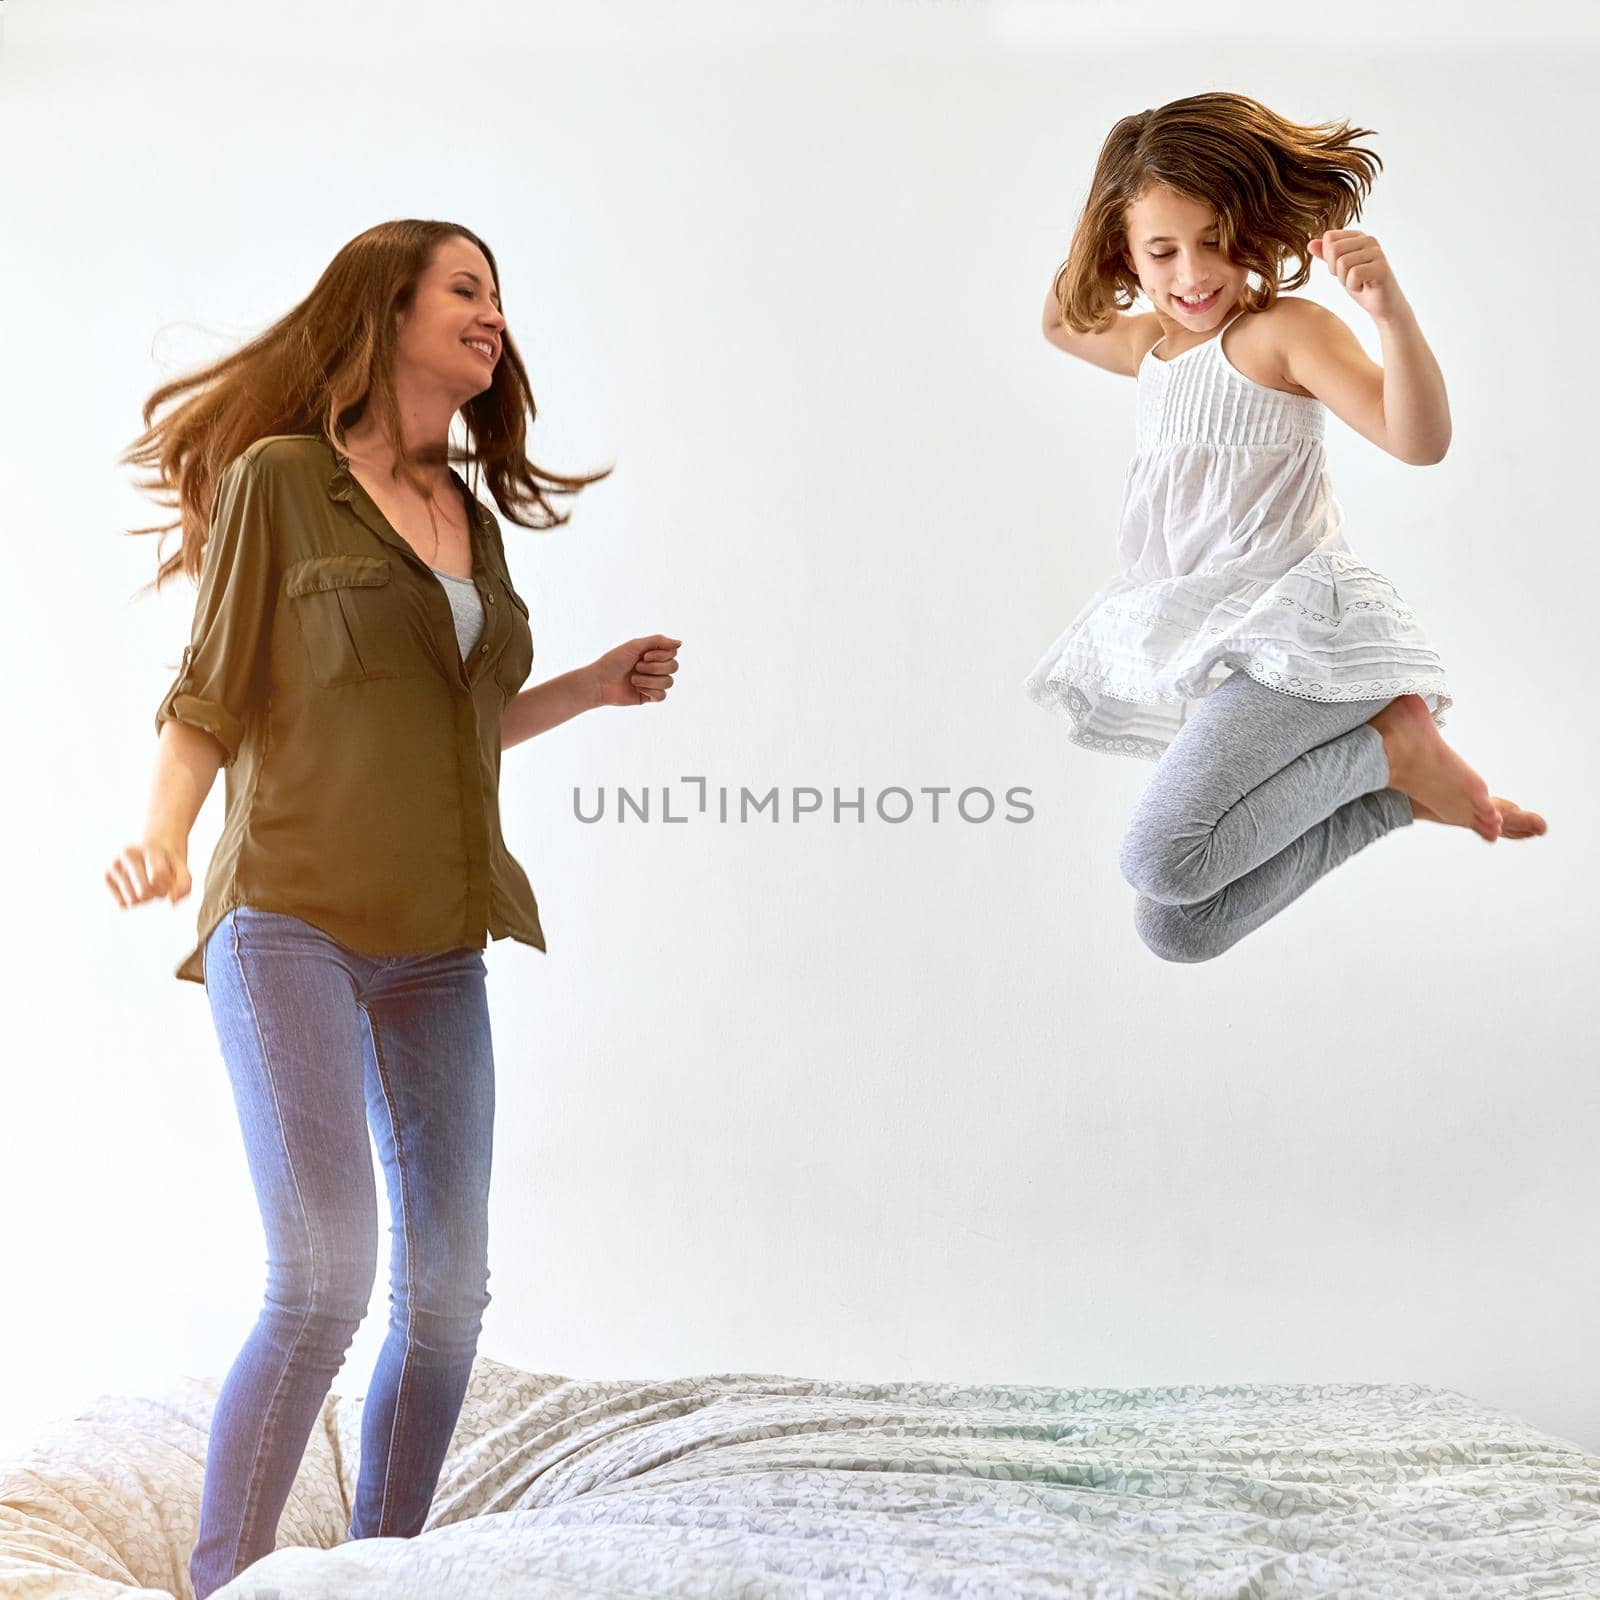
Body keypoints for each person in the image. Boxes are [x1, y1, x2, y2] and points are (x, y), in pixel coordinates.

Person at [104, 219, 683, 1598]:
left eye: (499, 297)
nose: (493, 316)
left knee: (443, 1299)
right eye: (466, 289)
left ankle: (381, 1573)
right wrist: (162, 835)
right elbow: (210, 695)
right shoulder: (282, 482)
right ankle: (225, 1580)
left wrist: (589, 688)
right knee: (319, 1279)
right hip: (288, 917)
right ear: (389, 313)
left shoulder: (466, 520)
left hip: (439, 942)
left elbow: (455, 727)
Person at [1022, 92, 1545, 961]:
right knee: (1174, 925)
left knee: (1157, 854)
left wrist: (1391, 315)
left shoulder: (1280, 334)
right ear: (1126, 253)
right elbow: (1058, 321)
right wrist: (1115, 195)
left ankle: (1389, 750)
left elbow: (1418, 442)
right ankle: (1391, 792)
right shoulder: (1151, 346)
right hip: (1214, 642)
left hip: (1294, 635)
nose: (1192, 274)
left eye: (1216, 243)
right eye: (1162, 251)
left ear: (1257, 233)